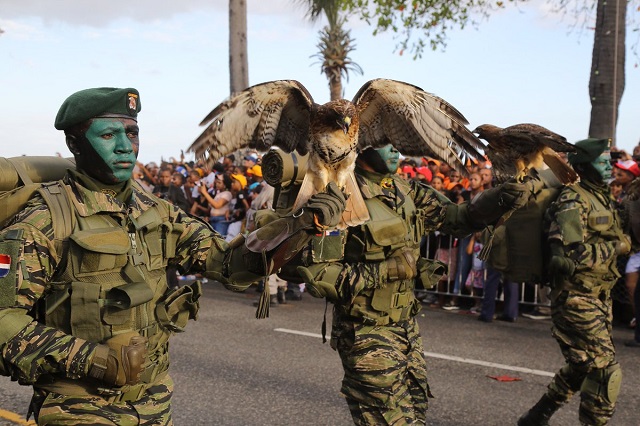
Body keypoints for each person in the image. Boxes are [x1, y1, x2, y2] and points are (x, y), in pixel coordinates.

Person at [0, 87, 346, 425]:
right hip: (78, 407)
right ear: (75, 144)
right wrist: (90, 359)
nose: (125, 147)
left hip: (154, 403)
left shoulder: (156, 211)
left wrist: (299, 225)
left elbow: (229, 264)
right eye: (108, 135)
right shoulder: (44, 220)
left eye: (132, 133)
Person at [293, 144, 537, 424]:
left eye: (398, 145)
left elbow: (458, 218)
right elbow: (321, 277)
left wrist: (498, 199)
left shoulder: (407, 190)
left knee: (416, 415)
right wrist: (386, 270)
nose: (396, 151)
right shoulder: (339, 194)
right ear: (363, 146)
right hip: (364, 331)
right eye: (386, 144)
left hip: (406, 328)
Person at [518, 138, 630, 426]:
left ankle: (537, 415)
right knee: (604, 371)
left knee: (582, 364)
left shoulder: (602, 197)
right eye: (602, 161)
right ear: (585, 165)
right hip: (576, 298)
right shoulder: (573, 199)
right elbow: (567, 255)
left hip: (599, 296)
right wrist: (616, 248)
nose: (609, 167)